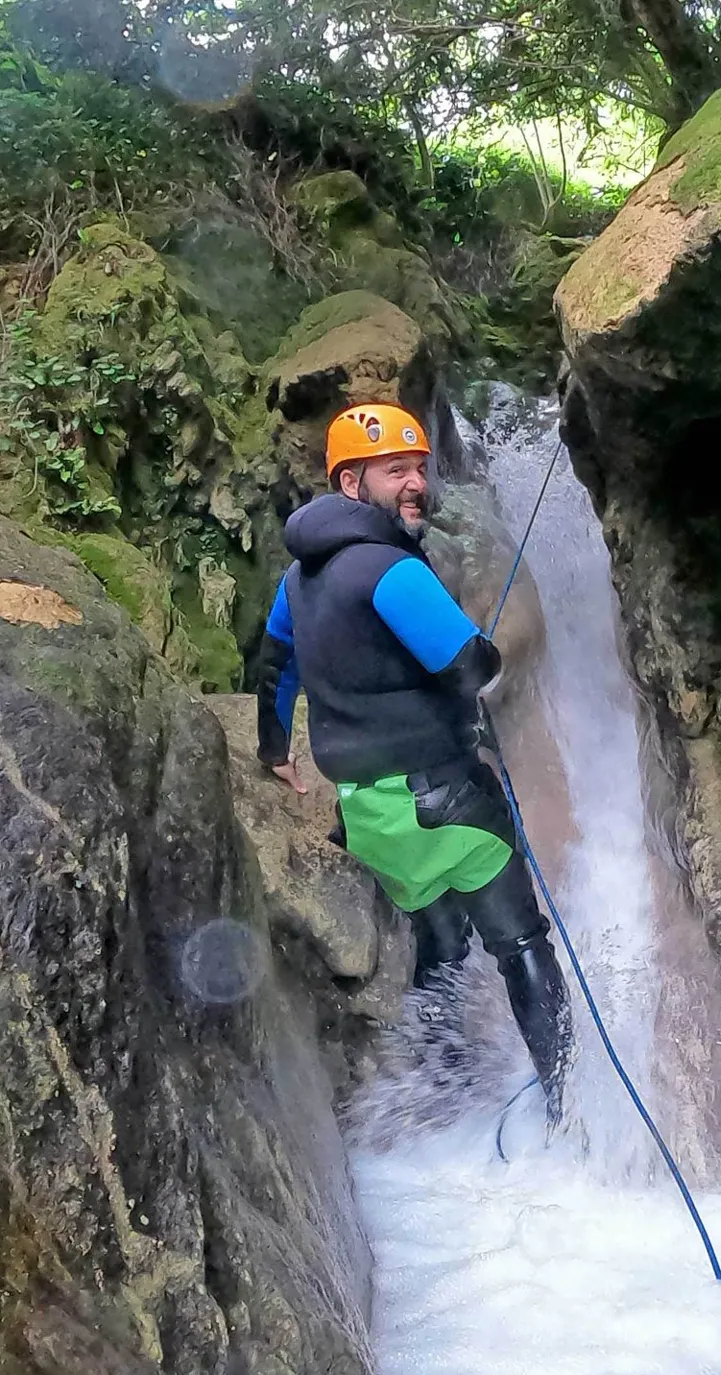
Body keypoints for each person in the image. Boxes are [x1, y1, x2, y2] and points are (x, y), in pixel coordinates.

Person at [255, 402, 575, 1118]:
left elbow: (273, 664)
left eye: (420, 469)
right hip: (445, 804)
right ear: (349, 483)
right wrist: (485, 649)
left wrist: (275, 751)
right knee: (522, 942)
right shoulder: (393, 573)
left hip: (372, 819)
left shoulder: (297, 581)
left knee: (440, 944)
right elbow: (472, 669)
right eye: (395, 470)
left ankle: (445, 1090)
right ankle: (565, 1104)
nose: (416, 484)